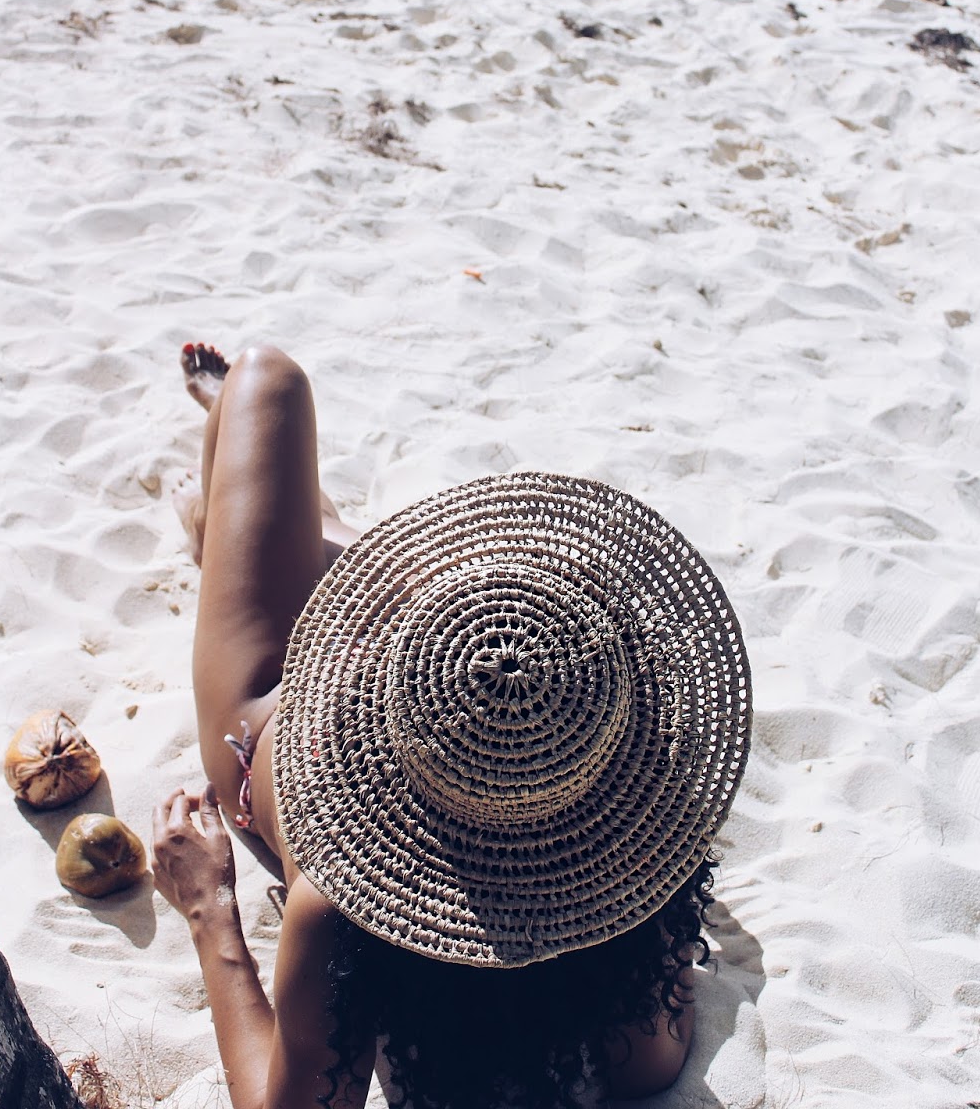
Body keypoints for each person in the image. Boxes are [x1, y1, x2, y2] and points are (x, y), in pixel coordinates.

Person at [153, 343, 751, 1109]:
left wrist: (209, 911)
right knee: (366, 560)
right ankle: (294, 526)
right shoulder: (635, 864)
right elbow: (653, 1065)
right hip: (415, 658)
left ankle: (227, 516)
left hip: (275, 701)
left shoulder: (342, 896)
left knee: (268, 379)